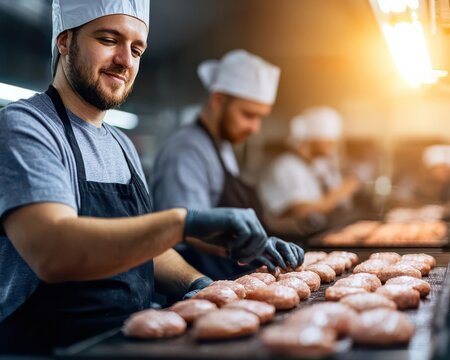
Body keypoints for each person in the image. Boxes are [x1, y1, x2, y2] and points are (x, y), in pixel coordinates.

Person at [0, 1, 302, 354]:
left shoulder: (121, 145)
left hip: (128, 341)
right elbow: (52, 251)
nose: (126, 61)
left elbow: (145, 250)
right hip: (50, 348)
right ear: (64, 41)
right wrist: (183, 222)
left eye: (136, 49)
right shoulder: (27, 126)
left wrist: (201, 286)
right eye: (109, 39)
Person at [151, 50, 304, 280]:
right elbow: (184, 230)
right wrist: (242, 245)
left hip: (230, 276)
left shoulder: (223, 145)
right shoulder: (186, 151)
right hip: (199, 283)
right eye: (248, 115)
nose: (255, 128)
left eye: (260, 117)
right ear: (218, 101)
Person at [258, 106, 359, 221]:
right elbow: (302, 211)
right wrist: (342, 190)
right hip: (290, 236)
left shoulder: (320, 165)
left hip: (318, 231)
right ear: (312, 138)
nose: (333, 144)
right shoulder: (286, 166)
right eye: (328, 141)